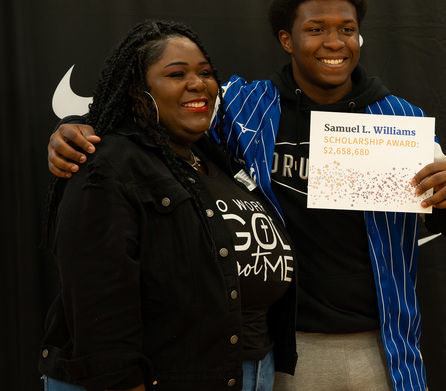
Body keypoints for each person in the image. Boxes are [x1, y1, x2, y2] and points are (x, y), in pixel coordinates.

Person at [48, 0, 446, 391]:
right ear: (286, 39)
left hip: (382, 346)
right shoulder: (241, 106)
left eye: (347, 29)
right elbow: (155, 123)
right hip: (282, 349)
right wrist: (74, 127)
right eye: (316, 29)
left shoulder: (397, 118)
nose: (335, 42)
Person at [39, 21, 296, 391]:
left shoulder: (214, 159)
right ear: (137, 91)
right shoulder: (106, 164)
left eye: (205, 73)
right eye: (177, 74)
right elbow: (100, 308)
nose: (198, 83)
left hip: (248, 371)